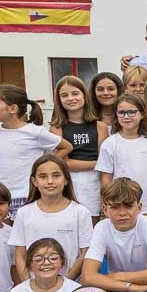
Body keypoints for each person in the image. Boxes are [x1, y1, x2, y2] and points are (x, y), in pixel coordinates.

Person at [80, 178, 147, 292]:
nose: (122, 213)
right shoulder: (101, 227)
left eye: (128, 206)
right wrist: (132, 287)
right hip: (117, 287)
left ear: (139, 207)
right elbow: (87, 277)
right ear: (105, 209)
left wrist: (118, 276)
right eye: (115, 207)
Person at [0, 85, 69, 220]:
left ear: (13, 108)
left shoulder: (34, 132)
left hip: (26, 194)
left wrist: (44, 166)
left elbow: (66, 147)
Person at [10, 154, 92, 281]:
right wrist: (29, 285)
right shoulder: (24, 213)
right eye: (43, 177)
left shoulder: (80, 212)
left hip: (70, 286)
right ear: (34, 181)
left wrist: (65, 285)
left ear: (66, 180)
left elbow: (85, 253)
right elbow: (20, 255)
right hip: (34, 287)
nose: (50, 181)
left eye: (56, 175)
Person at [97, 93, 147, 215]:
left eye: (131, 112)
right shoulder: (110, 144)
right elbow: (106, 178)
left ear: (142, 114)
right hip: (122, 207)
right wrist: (107, 204)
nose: (126, 116)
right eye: (121, 112)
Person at [50, 75, 107, 217]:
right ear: (59, 100)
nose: (70, 98)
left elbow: (105, 161)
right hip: (69, 181)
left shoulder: (100, 126)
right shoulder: (56, 128)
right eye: (64, 95)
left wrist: (98, 165)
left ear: (84, 96)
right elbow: (63, 163)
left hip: (95, 181)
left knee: (92, 221)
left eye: (75, 93)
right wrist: (97, 163)